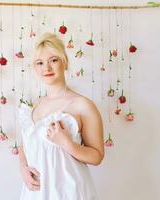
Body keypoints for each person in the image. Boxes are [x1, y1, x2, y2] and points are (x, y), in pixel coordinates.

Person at [18, 32, 104, 200]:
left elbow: (97, 156)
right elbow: (26, 142)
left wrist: (67, 144)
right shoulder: (36, 105)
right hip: (35, 192)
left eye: (54, 60)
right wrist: (23, 166)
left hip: (69, 192)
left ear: (65, 62)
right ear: (35, 68)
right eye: (40, 63)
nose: (47, 68)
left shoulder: (82, 105)